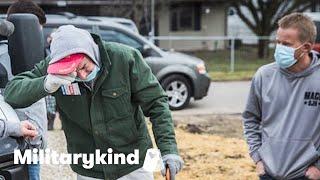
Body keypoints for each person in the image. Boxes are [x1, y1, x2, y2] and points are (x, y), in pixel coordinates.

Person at [4, 24, 184, 180]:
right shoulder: (54, 66)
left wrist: (168, 150)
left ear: (90, 50)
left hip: (133, 163)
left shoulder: (125, 59)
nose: (81, 76)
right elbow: (12, 93)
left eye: (83, 67)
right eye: (72, 72)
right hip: (90, 167)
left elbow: (157, 104)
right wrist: (45, 84)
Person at [243, 12, 320, 180]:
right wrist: (257, 158)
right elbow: (250, 118)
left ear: (306, 47)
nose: (279, 48)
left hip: (308, 175)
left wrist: (318, 168)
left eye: (286, 44)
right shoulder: (264, 75)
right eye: (278, 42)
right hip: (268, 173)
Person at [1, 1, 49, 179]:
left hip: (29, 145)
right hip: (21, 146)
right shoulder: (9, 57)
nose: (39, 37)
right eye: (35, 30)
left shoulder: (31, 54)